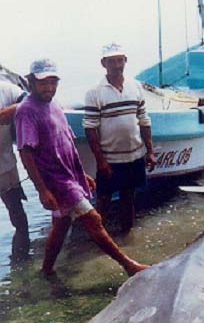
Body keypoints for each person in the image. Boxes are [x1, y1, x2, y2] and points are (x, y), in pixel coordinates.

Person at [15, 59, 147, 277]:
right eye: (43, 83)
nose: (49, 87)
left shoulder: (54, 104)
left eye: (52, 82)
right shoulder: (26, 111)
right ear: (31, 82)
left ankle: (46, 270)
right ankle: (128, 265)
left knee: (61, 225)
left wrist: (81, 174)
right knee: (93, 219)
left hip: (70, 176)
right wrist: (42, 190)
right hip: (56, 181)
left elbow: (65, 141)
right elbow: (25, 152)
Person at [83, 43, 156, 232]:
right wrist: (100, 161)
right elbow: (90, 129)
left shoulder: (135, 86)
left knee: (129, 197)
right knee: (103, 200)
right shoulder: (94, 92)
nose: (117, 65)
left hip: (134, 156)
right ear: (103, 63)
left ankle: (127, 236)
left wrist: (150, 151)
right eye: (112, 61)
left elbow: (144, 120)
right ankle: (98, 238)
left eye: (120, 60)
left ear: (125, 61)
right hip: (110, 159)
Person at [0, 79, 30, 258]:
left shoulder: (4, 89)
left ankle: (21, 262)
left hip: (5, 166)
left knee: (19, 218)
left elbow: (30, 99)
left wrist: (12, 110)